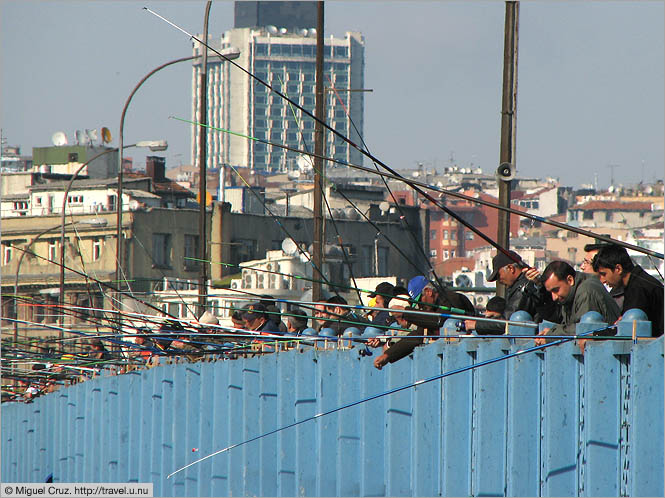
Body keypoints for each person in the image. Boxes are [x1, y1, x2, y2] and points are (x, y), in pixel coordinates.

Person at [373, 276, 475, 369]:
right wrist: (387, 355)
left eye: (419, 300)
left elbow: (437, 321)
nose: (420, 306)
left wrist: (406, 312)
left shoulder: (452, 299)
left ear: (428, 292)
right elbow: (418, 335)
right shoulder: (433, 307)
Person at [464, 250, 558, 334]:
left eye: (499, 275)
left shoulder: (524, 286)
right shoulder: (520, 284)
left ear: (510, 268)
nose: (499, 280)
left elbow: (509, 322)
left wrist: (476, 325)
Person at [535, 260, 620, 345]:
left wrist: (551, 335)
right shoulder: (569, 294)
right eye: (551, 292)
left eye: (556, 290)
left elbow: (582, 330)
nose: (554, 297)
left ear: (570, 280)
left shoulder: (586, 291)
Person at [593, 245, 663, 336]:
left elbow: (630, 329)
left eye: (604, 274)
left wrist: (595, 336)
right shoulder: (636, 283)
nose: (602, 280)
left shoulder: (638, 288)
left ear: (618, 269)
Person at [581, 241, 624, 308]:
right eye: (583, 261)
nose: (582, 267)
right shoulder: (586, 291)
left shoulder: (621, 296)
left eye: (586, 262)